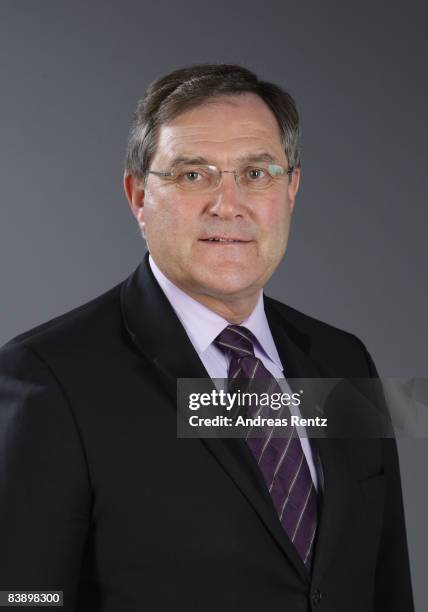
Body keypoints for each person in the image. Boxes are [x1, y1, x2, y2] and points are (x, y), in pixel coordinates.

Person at [0, 64, 414, 611]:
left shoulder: (343, 359)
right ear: (138, 196)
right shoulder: (50, 377)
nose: (228, 204)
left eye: (257, 173)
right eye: (193, 175)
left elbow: (384, 584)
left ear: (291, 189)